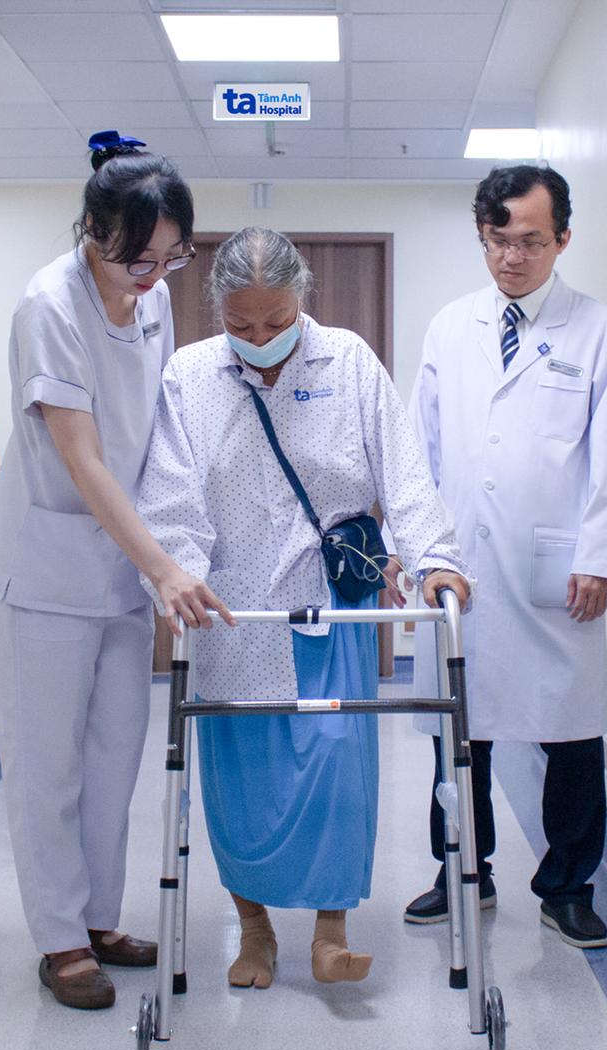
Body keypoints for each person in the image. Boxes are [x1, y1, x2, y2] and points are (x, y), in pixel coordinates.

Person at [137, 227, 471, 988]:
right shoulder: (189, 375)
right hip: (229, 613)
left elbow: (405, 472)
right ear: (217, 311)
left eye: (276, 321)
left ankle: (330, 931)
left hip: (327, 606)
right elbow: (170, 495)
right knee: (241, 780)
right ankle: (254, 930)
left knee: (335, 765)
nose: (259, 339)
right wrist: (177, 574)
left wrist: (436, 561)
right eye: (241, 324)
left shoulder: (347, 361)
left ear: (303, 301)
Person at [0, 132, 231, 1011]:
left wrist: (171, 547)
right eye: (136, 259)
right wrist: (163, 566)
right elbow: (82, 457)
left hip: (122, 570)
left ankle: (98, 919)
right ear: (93, 233)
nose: (153, 277)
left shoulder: (152, 301)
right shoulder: (48, 305)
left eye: (171, 258)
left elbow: (154, 429)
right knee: (48, 765)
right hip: (46, 573)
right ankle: (59, 939)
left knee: (115, 757)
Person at [403, 165, 607, 949]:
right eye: (497, 240)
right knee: (458, 730)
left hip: (557, 570)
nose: (511, 257)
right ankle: (461, 870)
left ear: (563, 238)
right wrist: (416, 549)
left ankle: (568, 886)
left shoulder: (598, 330)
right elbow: (421, 450)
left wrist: (598, 556)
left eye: (531, 241)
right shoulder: (450, 327)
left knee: (570, 733)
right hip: (460, 566)